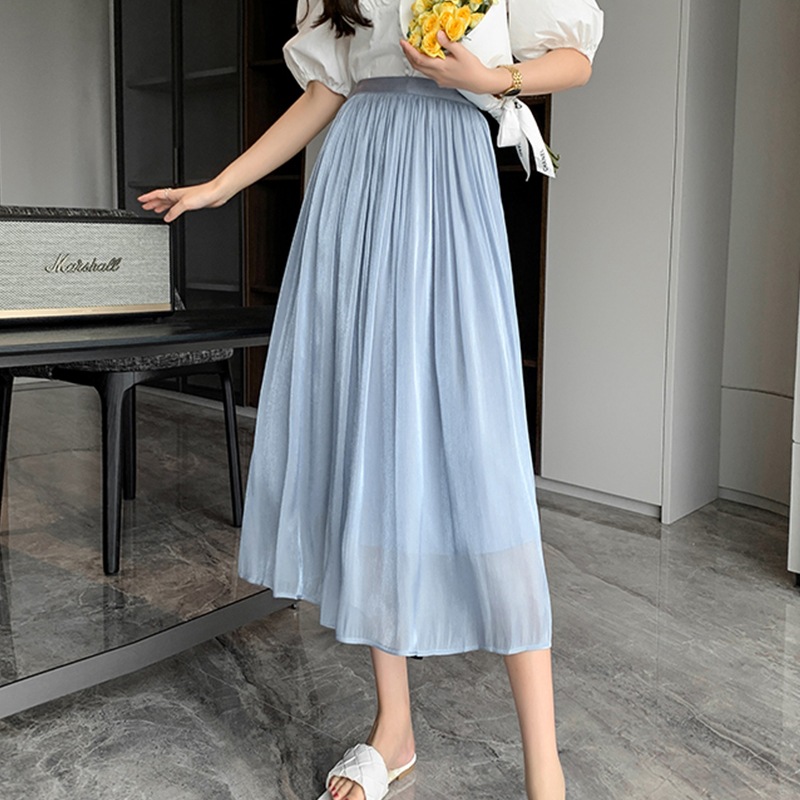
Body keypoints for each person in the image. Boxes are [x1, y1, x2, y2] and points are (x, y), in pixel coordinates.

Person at [139, 2, 603, 798]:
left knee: (483, 450)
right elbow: (327, 91)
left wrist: (492, 77)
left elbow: (575, 58)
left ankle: (543, 765)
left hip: (448, 186)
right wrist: (221, 185)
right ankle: (394, 727)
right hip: (352, 192)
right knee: (372, 437)